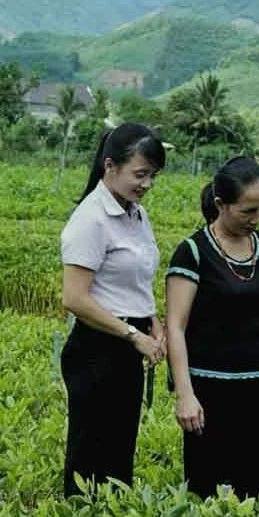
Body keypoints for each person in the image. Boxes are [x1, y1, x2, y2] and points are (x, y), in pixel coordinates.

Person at [164, 155, 259, 500]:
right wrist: (185, 394)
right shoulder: (193, 252)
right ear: (221, 204)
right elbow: (175, 327)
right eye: (247, 211)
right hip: (210, 390)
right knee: (208, 492)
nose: (257, 219)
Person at [59, 123, 167, 495]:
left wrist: (153, 322)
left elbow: (133, 281)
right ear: (110, 166)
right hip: (97, 349)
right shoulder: (91, 219)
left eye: (153, 176)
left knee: (119, 454)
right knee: (90, 456)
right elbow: (75, 298)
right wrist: (133, 334)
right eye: (140, 174)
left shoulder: (136, 214)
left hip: (127, 346)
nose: (147, 184)